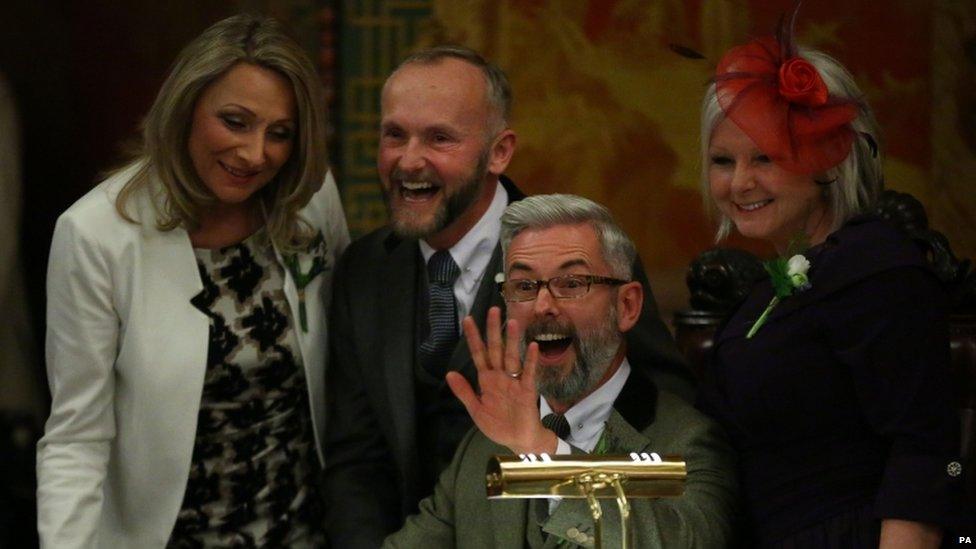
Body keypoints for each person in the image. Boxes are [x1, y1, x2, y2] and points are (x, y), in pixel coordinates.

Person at [323, 46, 695, 547]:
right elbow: (356, 461)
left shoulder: (580, 253)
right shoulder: (364, 271)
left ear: (500, 151)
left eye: (439, 138)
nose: (408, 160)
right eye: (394, 135)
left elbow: (659, 411)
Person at [36, 14, 349, 547]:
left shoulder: (310, 200)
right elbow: (76, 436)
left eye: (280, 133)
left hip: (304, 531)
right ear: (185, 107)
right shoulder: (95, 235)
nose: (255, 154)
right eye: (234, 121)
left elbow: (348, 364)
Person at [696, 13, 966, 548]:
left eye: (766, 158)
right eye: (723, 160)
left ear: (827, 160)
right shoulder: (774, 284)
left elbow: (921, 452)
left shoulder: (876, 268)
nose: (739, 182)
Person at [384, 193, 736, 548]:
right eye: (523, 286)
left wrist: (545, 451)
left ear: (627, 306)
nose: (542, 306)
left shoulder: (687, 441)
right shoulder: (482, 447)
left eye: (571, 284)